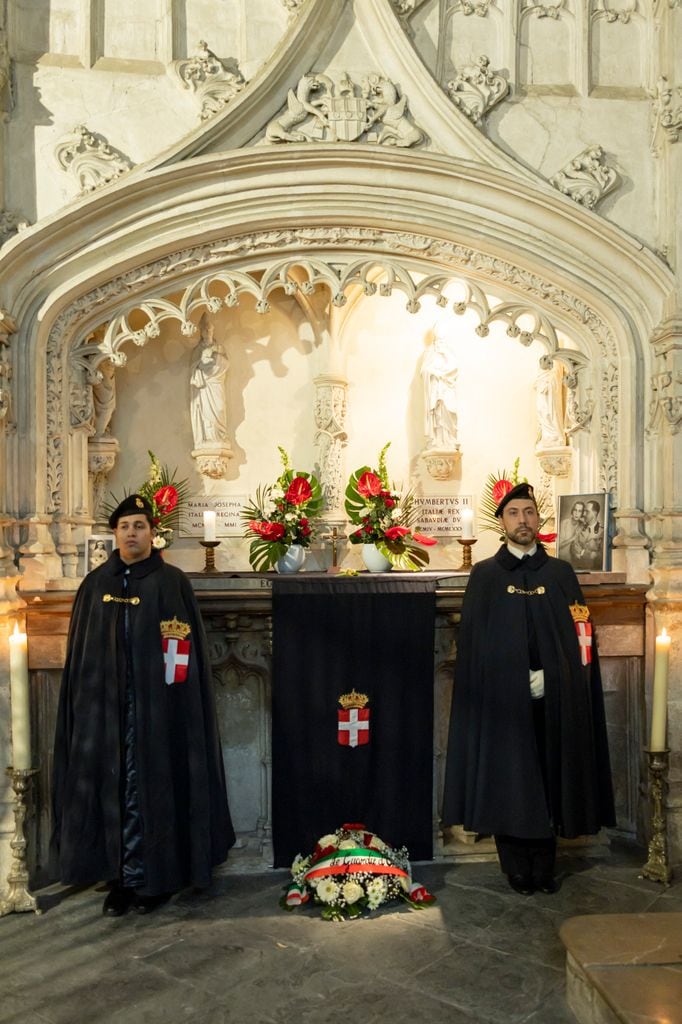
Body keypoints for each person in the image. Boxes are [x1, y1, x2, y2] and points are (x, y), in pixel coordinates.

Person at [52, 493, 235, 916]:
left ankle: (157, 879)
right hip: (107, 714)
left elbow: (184, 649)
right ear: (114, 534)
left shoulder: (172, 582)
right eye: (124, 527)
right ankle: (118, 879)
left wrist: (173, 698)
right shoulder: (96, 584)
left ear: (153, 533)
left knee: (159, 788)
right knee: (111, 790)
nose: (132, 533)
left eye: (139, 526)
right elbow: (82, 655)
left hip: (159, 710)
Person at [442, 482, 615, 895]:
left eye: (530, 512)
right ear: (501, 522)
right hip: (503, 705)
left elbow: (580, 639)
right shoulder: (485, 576)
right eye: (515, 513)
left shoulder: (560, 574)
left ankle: (544, 865)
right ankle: (515, 867)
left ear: (540, 521)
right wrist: (508, 679)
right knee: (510, 779)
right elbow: (474, 649)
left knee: (549, 775)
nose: (524, 520)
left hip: (551, 700)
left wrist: (554, 677)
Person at [190, 315, 230, 447]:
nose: (207, 332)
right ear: (201, 333)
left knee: (219, 409)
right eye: (205, 330)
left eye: (210, 330)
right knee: (206, 413)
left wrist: (216, 361)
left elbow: (225, 364)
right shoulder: (197, 350)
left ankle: (219, 436)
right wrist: (202, 363)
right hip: (204, 389)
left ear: (213, 331)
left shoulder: (220, 348)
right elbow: (193, 368)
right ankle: (208, 438)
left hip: (216, 384)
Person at [421, 328, 459, 449]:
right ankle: (437, 440)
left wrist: (444, 374)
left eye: (442, 340)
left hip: (447, 388)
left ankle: (449, 439)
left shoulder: (449, 353)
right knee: (437, 415)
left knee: (447, 412)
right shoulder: (430, 352)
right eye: (438, 340)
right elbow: (424, 370)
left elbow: (455, 369)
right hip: (435, 389)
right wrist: (434, 372)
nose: (440, 343)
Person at [558, 500, 586, 564]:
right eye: (575, 510)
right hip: (562, 558)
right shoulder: (564, 523)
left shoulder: (581, 525)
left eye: (579, 511)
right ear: (572, 511)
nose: (576, 513)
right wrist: (573, 538)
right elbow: (559, 545)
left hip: (574, 560)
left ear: (582, 514)